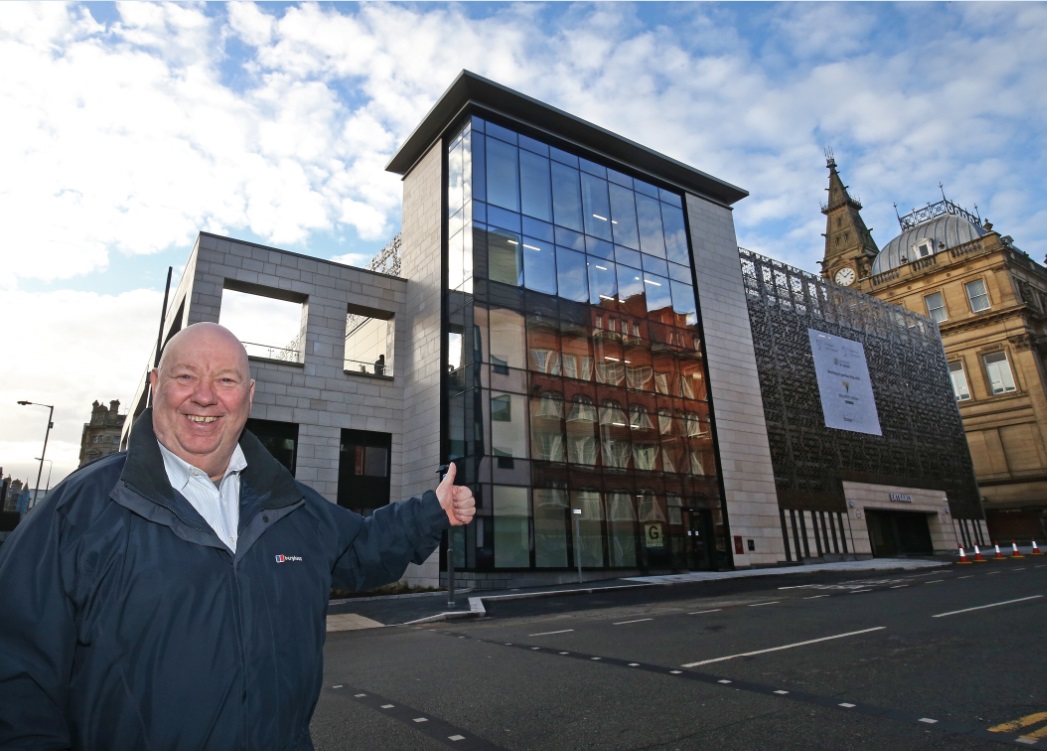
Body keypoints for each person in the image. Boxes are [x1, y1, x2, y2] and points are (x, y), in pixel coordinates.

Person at [0, 322, 475, 750]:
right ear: (156, 385)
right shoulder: (80, 510)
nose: (205, 397)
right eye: (186, 376)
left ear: (248, 395)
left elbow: (361, 548)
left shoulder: (286, 502)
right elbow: (16, 679)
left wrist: (432, 510)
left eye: (225, 380)